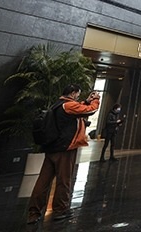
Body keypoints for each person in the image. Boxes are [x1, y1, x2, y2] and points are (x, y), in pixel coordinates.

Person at [27, 85, 100, 224]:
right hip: (65, 149)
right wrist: (95, 100)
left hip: (52, 148)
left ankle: (33, 212)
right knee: (64, 180)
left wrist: (86, 101)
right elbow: (91, 110)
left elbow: (78, 109)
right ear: (72, 93)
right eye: (77, 94)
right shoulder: (69, 106)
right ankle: (60, 210)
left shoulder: (58, 104)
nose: (78, 97)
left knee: (43, 181)